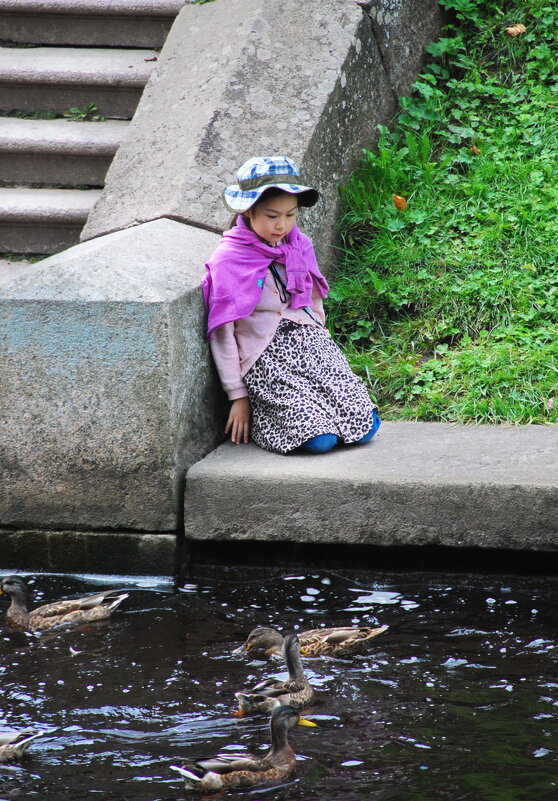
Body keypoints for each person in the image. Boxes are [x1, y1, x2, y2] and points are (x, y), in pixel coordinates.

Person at [202, 156, 381, 455]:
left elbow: (313, 297)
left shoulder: (299, 245)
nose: (282, 225)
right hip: (267, 357)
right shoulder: (229, 259)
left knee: (365, 426)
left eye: (290, 215)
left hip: (311, 344)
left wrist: (323, 340)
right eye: (272, 216)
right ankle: (268, 419)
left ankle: (319, 411)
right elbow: (223, 331)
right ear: (248, 210)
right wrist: (238, 396)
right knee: (320, 441)